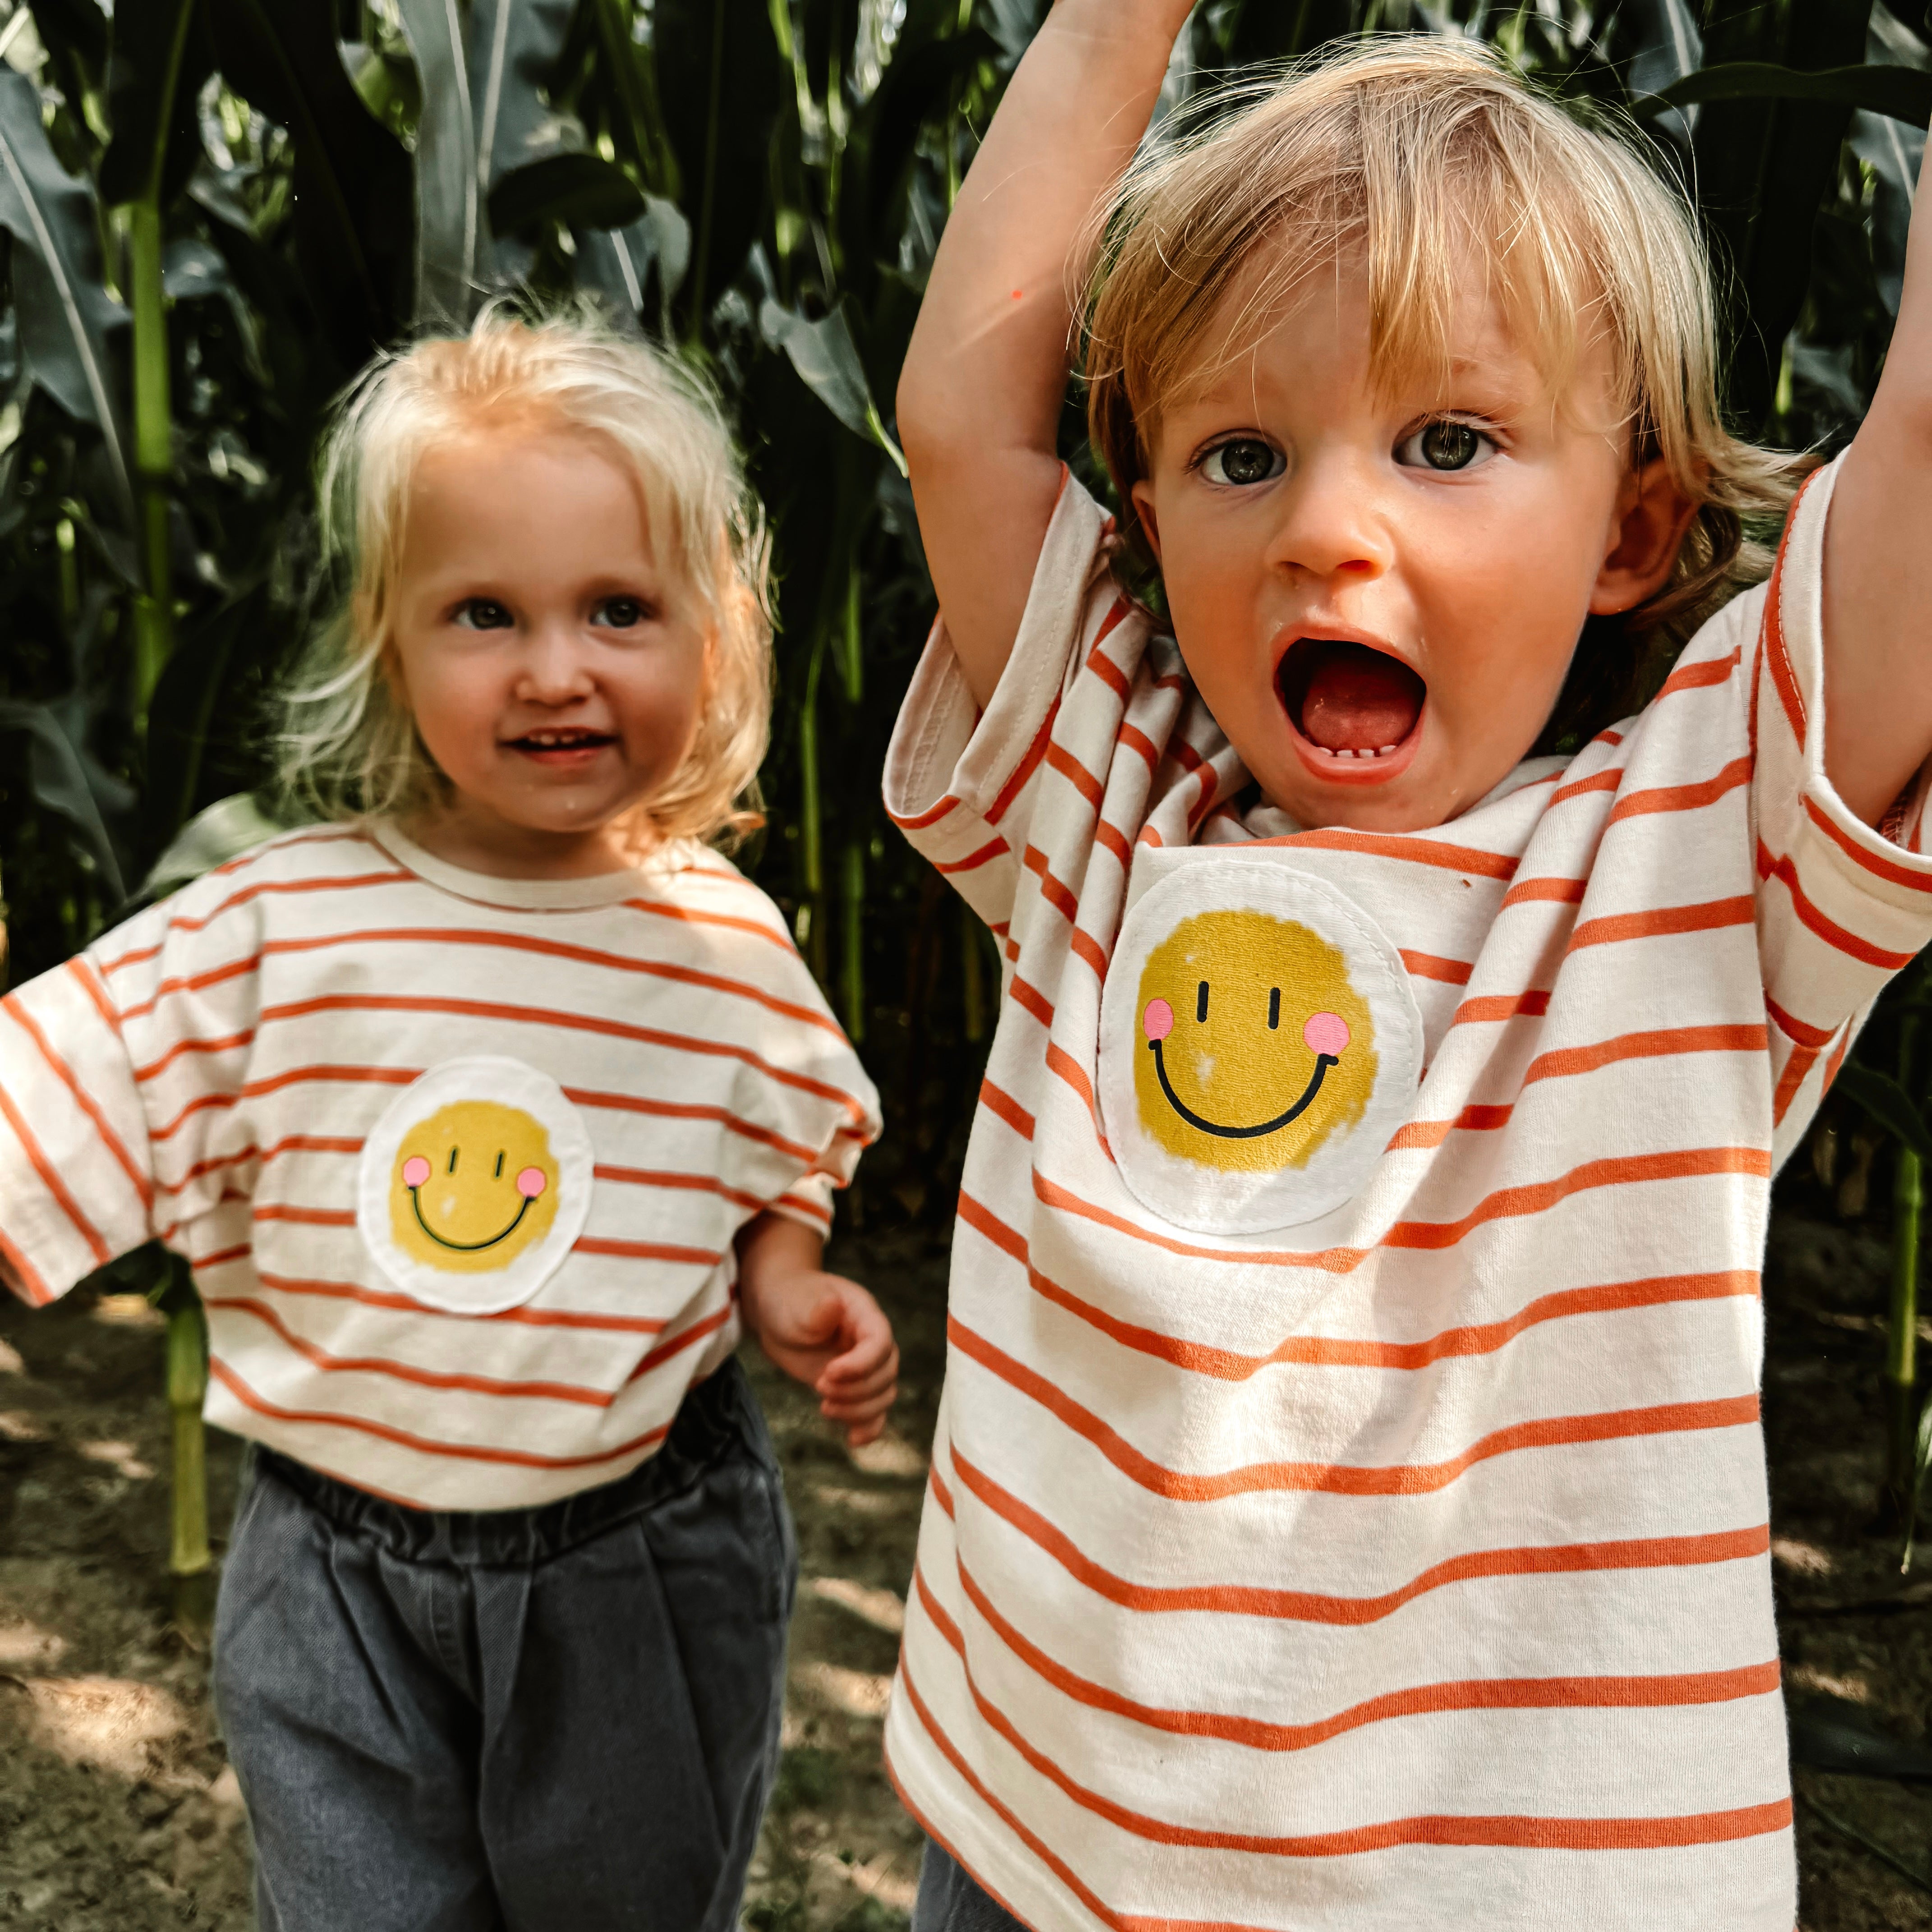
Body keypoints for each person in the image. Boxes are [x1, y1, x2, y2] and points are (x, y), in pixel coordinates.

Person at [883, 14, 1932, 1930]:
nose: (1323, 532)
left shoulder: (1691, 864)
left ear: (1634, 526)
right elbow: (963, 420)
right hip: (1033, 1839)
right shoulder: (1110, 797)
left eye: (1447, 442)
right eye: (1239, 451)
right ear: (1148, 524)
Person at [0, 310, 897, 1931]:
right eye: (484, 612)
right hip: (334, 1568)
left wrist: (787, 1281)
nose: (556, 667)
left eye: (617, 609)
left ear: (713, 636)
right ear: (389, 640)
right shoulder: (271, 929)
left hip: (641, 1554)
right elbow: (46, 1093)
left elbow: (781, 1141)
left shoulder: (715, 936)